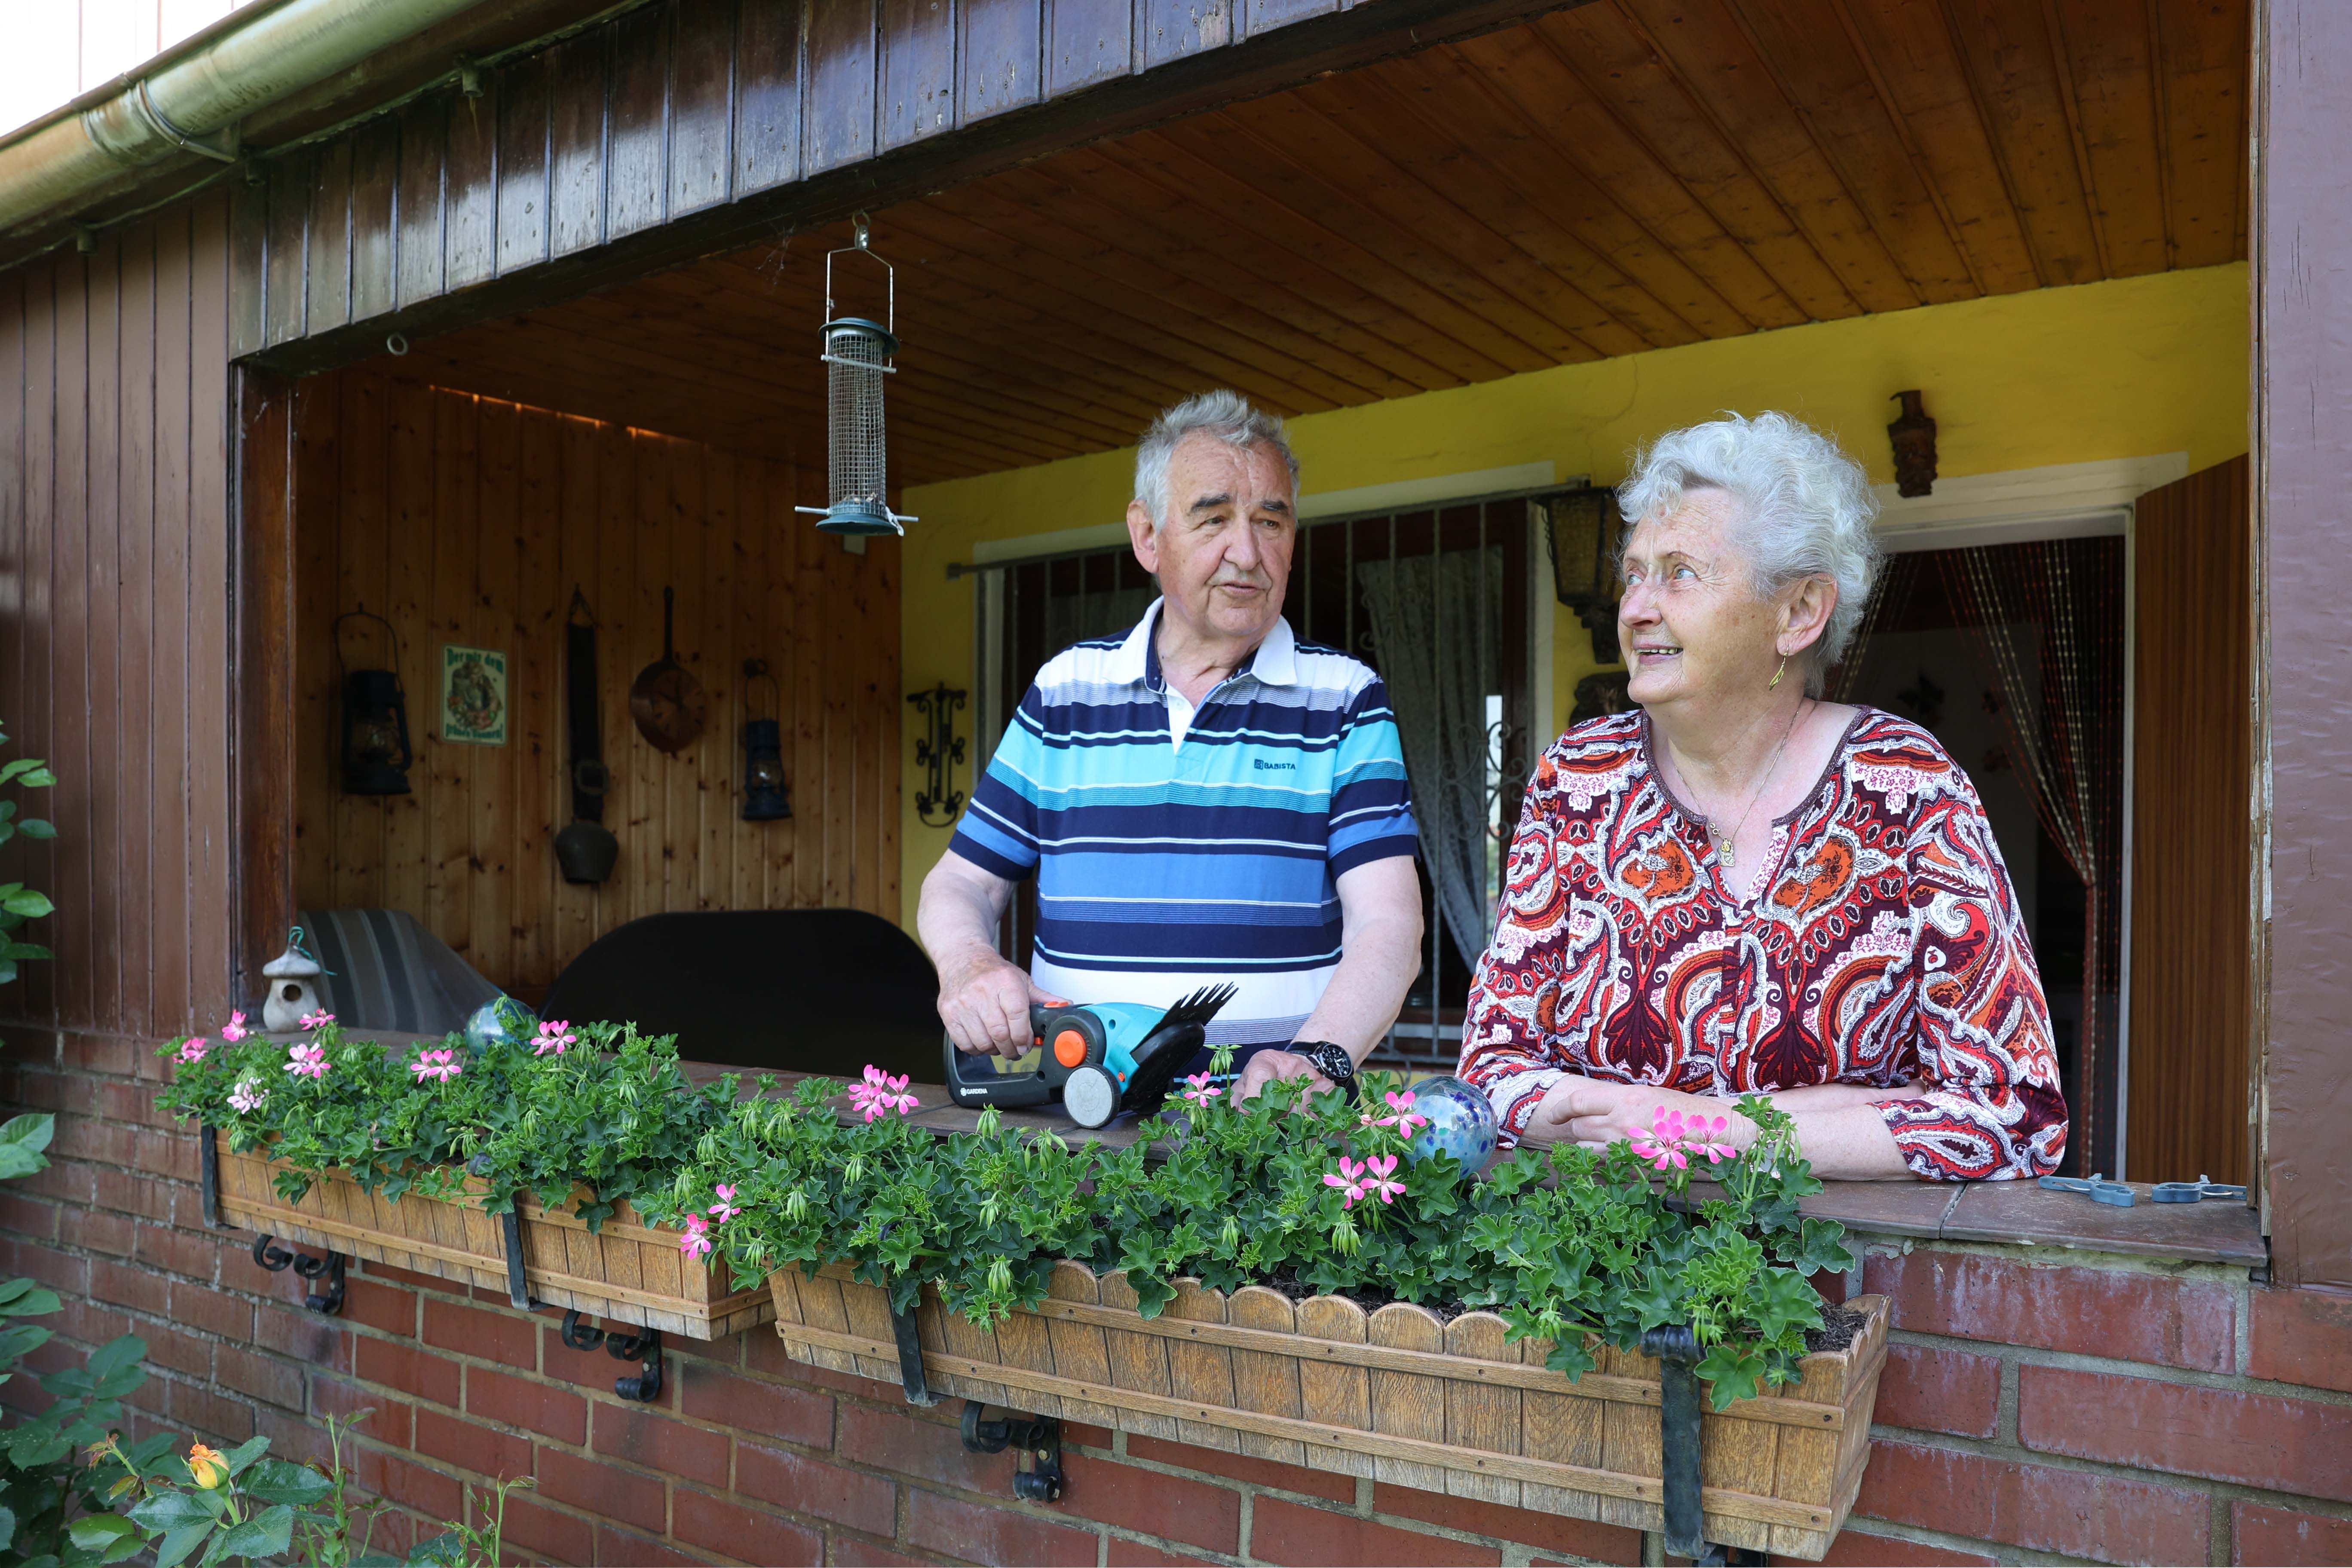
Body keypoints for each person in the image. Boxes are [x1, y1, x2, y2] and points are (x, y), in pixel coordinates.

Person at [1460, 412, 2067, 1180]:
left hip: (1838, 1284)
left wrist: (1710, 1126)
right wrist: (1841, 1111)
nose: (1638, 607)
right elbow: (1490, 1070)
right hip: (1604, 1277)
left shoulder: (1905, 787)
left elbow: (2013, 1113)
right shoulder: (1577, 780)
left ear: (1799, 613)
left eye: (1681, 573)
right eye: (1635, 572)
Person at [919, 391, 1424, 1105]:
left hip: (1268, 1133)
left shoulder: (1345, 701)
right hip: (1070, 1130)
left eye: (1271, 522)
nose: (1247, 554)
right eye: (1214, 518)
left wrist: (1318, 1058)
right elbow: (960, 883)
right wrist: (970, 965)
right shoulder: (1067, 692)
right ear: (1149, 535)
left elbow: (1391, 925)